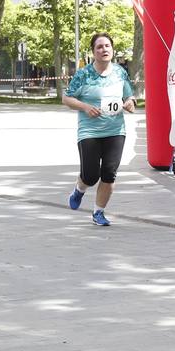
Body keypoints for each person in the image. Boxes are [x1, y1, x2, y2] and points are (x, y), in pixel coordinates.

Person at [62, 33, 135, 226]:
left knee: (109, 174)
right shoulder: (83, 74)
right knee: (91, 175)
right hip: (90, 132)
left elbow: (130, 98)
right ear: (93, 52)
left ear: (112, 49)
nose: (104, 50)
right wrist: (85, 107)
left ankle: (98, 213)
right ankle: (79, 189)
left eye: (107, 46)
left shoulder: (120, 72)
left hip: (115, 131)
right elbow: (66, 98)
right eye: (99, 47)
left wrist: (128, 104)